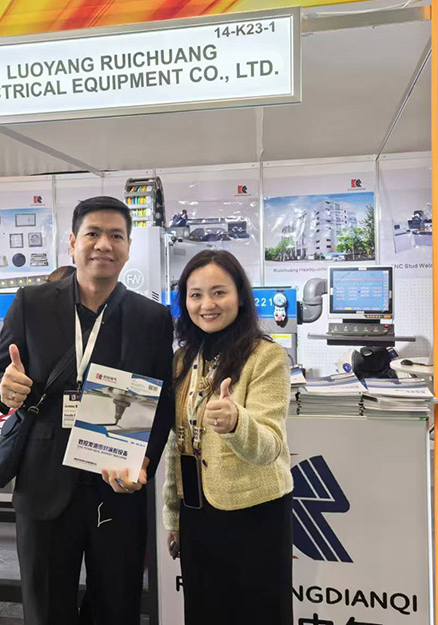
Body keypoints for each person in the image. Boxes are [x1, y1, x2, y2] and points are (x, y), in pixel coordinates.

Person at [0, 196, 175, 625]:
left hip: (117, 483)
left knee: (117, 606)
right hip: (44, 481)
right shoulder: (31, 303)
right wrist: (4, 387)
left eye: (116, 235)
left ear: (128, 247)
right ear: (72, 243)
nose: (104, 244)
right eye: (93, 233)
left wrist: (145, 460)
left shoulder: (152, 318)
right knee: (46, 607)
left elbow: (163, 402)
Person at [162, 249, 293, 625]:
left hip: (253, 513)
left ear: (240, 296)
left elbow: (271, 446)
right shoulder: (183, 359)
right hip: (197, 512)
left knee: (257, 614)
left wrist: (237, 423)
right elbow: (177, 443)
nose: (207, 305)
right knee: (204, 612)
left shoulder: (266, 356)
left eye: (219, 292)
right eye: (195, 294)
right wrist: (174, 515)